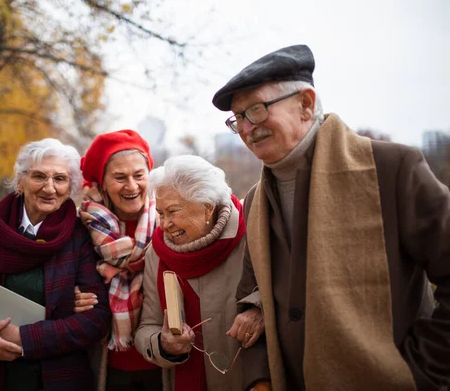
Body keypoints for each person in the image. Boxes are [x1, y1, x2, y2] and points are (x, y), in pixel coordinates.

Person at [211, 44, 450, 390]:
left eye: (257, 111)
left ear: (306, 104)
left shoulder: (392, 170)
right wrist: (259, 377)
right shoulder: (255, 201)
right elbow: (252, 297)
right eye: (238, 119)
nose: (247, 128)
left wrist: (419, 373)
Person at [0, 138, 112, 391]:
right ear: (21, 181)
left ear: (70, 187)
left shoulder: (80, 236)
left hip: (58, 379)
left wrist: (26, 339)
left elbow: (97, 318)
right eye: (39, 176)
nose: (49, 188)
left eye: (59, 179)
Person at [133, 155, 269, 391]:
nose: (165, 224)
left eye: (173, 211)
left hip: (249, 380)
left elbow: (289, 287)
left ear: (207, 208)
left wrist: (260, 309)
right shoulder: (157, 252)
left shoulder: (253, 231)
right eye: (161, 213)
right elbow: (147, 327)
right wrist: (164, 344)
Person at [76, 129, 162, 390]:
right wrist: (70, 296)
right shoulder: (81, 227)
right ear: (101, 183)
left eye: (139, 175)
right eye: (120, 177)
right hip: (105, 364)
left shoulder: (169, 219)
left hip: (163, 362)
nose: (132, 186)